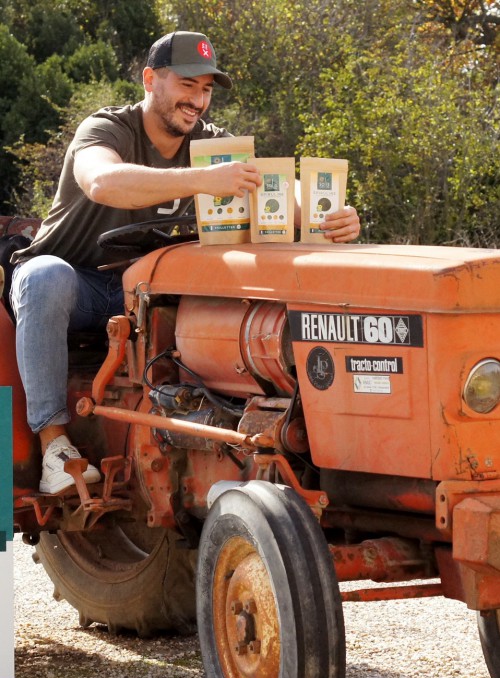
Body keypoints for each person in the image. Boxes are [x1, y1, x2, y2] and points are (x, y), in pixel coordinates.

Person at [10, 30, 360, 495]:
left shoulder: (213, 144)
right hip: (76, 285)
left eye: (207, 89)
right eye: (187, 85)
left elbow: (272, 188)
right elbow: (103, 182)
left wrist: (328, 214)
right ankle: (55, 445)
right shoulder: (107, 128)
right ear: (151, 79)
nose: (198, 100)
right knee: (45, 276)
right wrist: (203, 180)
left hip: (146, 288)